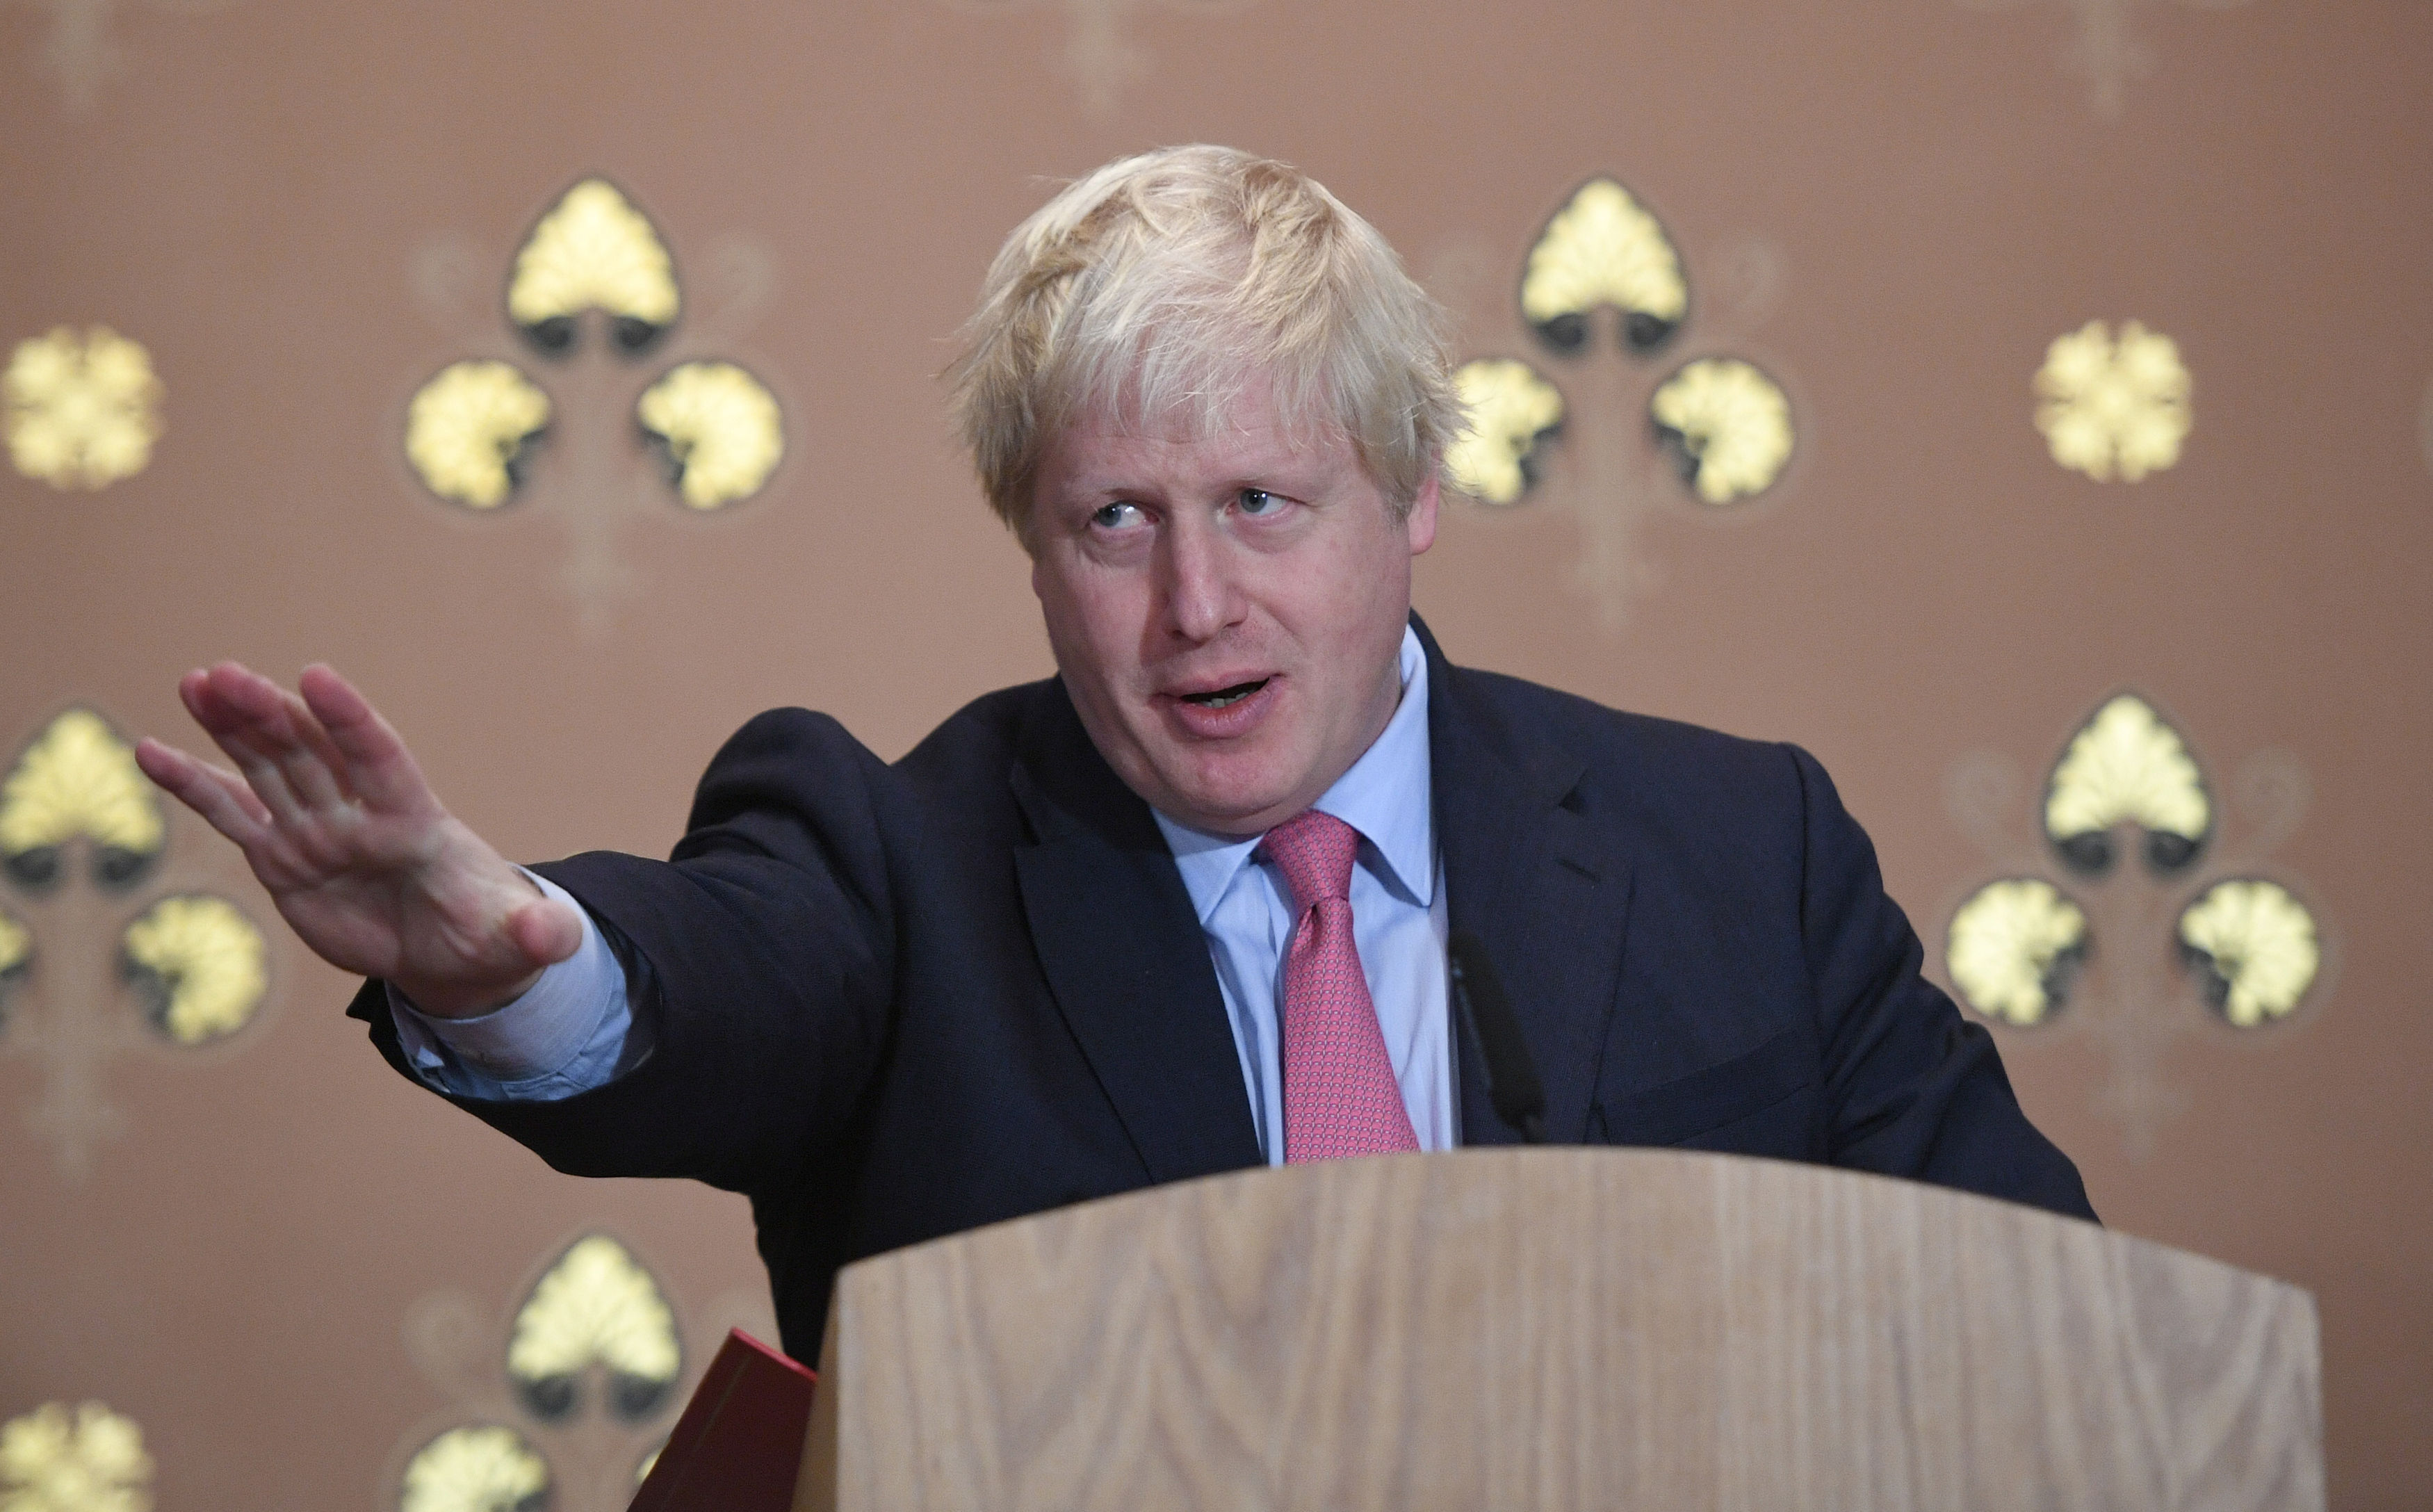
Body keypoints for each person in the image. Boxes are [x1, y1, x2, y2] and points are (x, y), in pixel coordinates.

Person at [136, 145, 2093, 1359]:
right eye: (1113, 524)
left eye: (1260, 501)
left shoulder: (1733, 849)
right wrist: (521, 963)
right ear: (1031, 542)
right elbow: (719, 977)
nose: (1196, 611)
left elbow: (2041, 1338)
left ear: (1411, 496)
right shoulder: (898, 865)